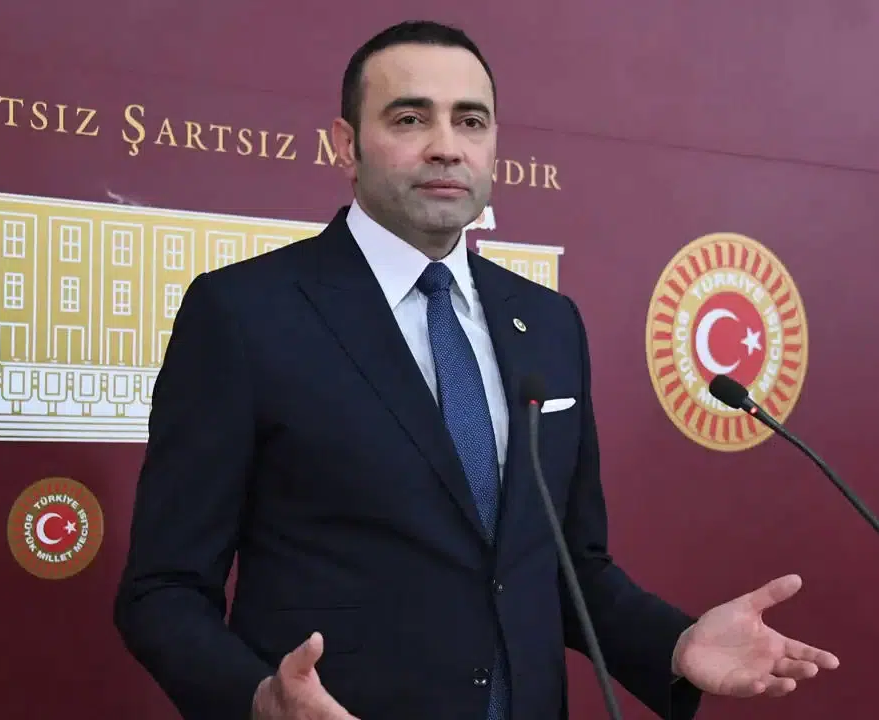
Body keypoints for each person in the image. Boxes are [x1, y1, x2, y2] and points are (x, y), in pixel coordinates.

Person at [113, 19, 840, 720]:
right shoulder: (244, 314)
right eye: (409, 119)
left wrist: (675, 645)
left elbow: (566, 566)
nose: (445, 147)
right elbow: (163, 589)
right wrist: (257, 699)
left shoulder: (549, 323)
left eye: (470, 121)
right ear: (345, 145)